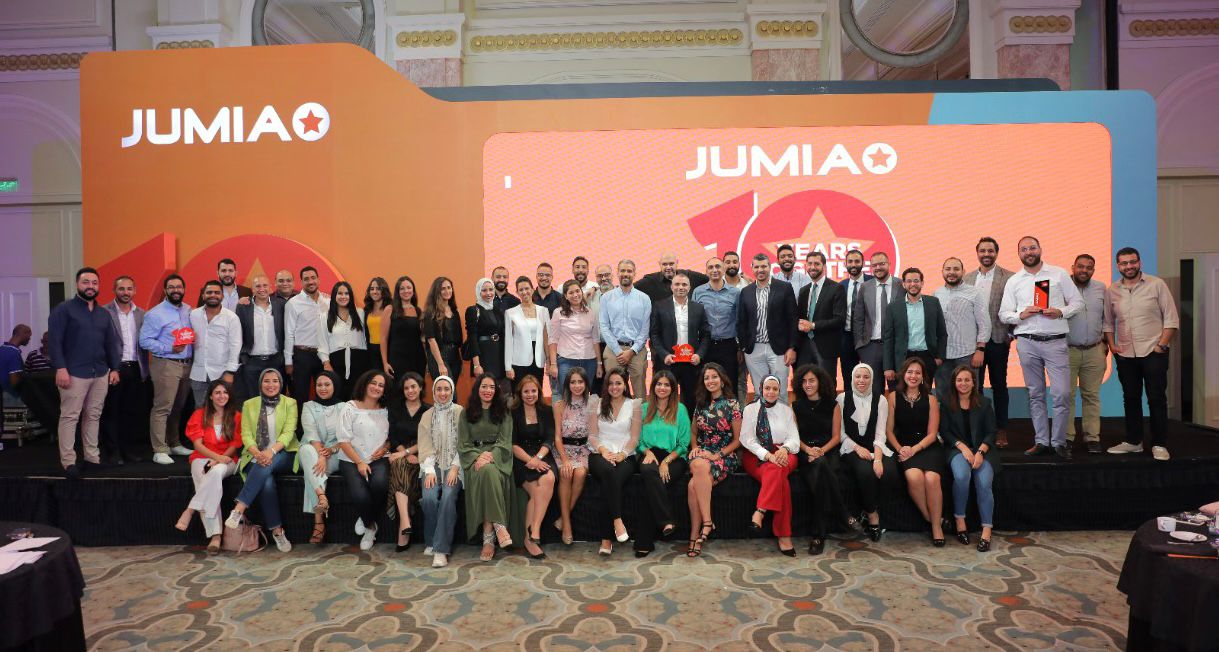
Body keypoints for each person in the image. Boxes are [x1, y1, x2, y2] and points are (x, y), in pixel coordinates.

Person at [998, 236, 1082, 460]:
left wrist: (1060, 311)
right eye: (1024, 249)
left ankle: (1059, 442)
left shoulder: (1058, 274)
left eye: (1032, 248)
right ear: (1019, 254)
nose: (1029, 252)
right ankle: (1042, 441)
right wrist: (1021, 314)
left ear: (1040, 249)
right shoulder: (1014, 281)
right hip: (1027, 342)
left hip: (1055, 341)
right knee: (1036, 394)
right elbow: (1004, 314)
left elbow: (1078, 303)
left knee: (1062, 393)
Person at [1104, 247, 1179, 461]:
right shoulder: (1112, 290)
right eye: (1124, 263)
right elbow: (1108, 322)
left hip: (1153, 351)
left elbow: (1171, 319)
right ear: (1118, 266)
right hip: (1126, 354)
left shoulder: (1157, 284)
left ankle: (1159, 444)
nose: (1129, 266)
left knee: (1156, 398)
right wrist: (1112, 346)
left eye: (1132, 262)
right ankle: (1134, 441)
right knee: (1130, 398)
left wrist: (1161, 346)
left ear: (1139, 263)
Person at [48, 267, 120, 477]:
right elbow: (54, 341)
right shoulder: (63, 310)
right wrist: (60, 368)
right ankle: (69, 462)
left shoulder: (103, 313)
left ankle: (92, 458)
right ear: (77, 284)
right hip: (73, 373)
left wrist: (115, 368)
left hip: (100, 373)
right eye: (86, 282)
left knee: (93, 416)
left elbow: (112, 343)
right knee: (70, 417)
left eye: (94, 283)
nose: (90, 286)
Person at [227, 368, 298, 553]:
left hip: (284, 453)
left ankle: (239, 507)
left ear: (280, 383)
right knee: (266, 482)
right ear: (260, 383)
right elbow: (246, 434)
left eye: (275, 381)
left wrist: (271, 451)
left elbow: (288, 433)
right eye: (267, 381)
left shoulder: (290, 403)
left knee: (267, 464)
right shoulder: (249, 404)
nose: (271, 385)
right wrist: (257, 453)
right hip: (256, 455)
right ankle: (277, 531)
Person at [175, 379, 241, 553]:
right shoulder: (199, 414)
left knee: (215, 473)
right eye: (217, 392)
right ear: (210, 396)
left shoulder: (236, 416)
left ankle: (190, 510)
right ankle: (215, 536)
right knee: (203, 477)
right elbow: (197, 445)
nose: (221, 396)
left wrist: (220, 460)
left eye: (225, 392)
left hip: (227, 459)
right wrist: (215, 457)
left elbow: (235, 445)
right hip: (202, 456)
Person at [885, 357, 946, 546]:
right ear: (903, 374)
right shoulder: (893, 397)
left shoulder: (931, 399)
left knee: (932, 479)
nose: (913, 376)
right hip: (903, 446)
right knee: (914, 477)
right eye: (910, 372)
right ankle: (932, 519)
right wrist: (900, 449)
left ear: (923, 377)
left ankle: (936, 528)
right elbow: (888, 431)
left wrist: (915, 449)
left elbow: (933, 434)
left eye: (917, 373)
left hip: (927, 446)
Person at [940, 365, 1001, 552]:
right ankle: (960, 520)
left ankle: (986, 530)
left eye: (967, 380)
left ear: (974, 382)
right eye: (959, 380)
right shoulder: (946, 403)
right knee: (961, 476)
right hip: (957, 449)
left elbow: (991, 432)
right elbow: (945, 432)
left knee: (984, 483)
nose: (963, 383)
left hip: (983, 450)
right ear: (954, 382)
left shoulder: (985, 403)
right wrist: (963, 447)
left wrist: (980, 452)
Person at [792, 364, 851, 555]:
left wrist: (821, 451)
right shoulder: (796, 406)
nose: (807, 385)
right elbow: (794, 436)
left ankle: (818, 536)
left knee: (820, 476)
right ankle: (843, 512)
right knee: (821, 470)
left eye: (811, 380)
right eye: (804, 381)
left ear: (820, 382)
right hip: (805, 451)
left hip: (828, 451)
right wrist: (809, 450)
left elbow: (836, 437)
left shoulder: (833, 405)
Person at [963, 237, 1015, 448]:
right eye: (982, 251)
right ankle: (981, 429)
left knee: (999, 385)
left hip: (997, 340)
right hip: (972, 342)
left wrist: (1011, 334)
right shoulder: (967, 278)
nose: (986, 254)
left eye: (990, 251)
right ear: (977, 253)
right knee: (975, 387)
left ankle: (1001, 430)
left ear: (996, 253)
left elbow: (1017, 307)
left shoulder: (1010, 277)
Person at [741, 375, 800, 556]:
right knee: (781, 480)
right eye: (767, 388)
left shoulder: (786, 410)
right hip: (756, 454)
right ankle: (784, 536)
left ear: (780, 391)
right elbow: (747, 439)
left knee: (776, 468)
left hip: (784, 452)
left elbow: (794, 439)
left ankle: (760, 511)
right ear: (761, 389)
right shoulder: (750, 409)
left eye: (775, 389)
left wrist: (784, 450)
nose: (771, 392)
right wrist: (767, 455)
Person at [140, 274, 195, 464]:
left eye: (179, 287)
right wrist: (168, 347)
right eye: (171, 287)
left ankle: (174, 443)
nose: (175, 290)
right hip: (166, 363)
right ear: (165, 290)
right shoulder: (155, 313)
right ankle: (159, 449)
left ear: (184, 289)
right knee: (163, 407)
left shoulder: (188, 310)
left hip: (187, 364)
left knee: (178, 407)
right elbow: (144, 341)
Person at [687, 363, 741, 557]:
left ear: (722, 380)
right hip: (703, 452)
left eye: (714, 377)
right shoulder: (700, 403)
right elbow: (694, 433)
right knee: (698, 463)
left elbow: (738, 440)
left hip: (724, 454)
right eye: (706, 378)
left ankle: (695, 535)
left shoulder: (732, 404)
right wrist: (695, 448)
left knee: (693, 485)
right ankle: (707, 523)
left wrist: (718, 455)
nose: (710, 381)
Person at [633, 370, 689, 557]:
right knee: (650, 473)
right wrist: (646, 451)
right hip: (648, 453)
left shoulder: (680, 409)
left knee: (651, 487)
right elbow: (637, 439)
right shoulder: (644, 408)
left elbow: (684, 443)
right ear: (653, 386)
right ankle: (666, 520)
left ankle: (643, 541)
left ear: (673, 388)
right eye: (659, 384)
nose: (662, 388)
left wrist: (666, 461)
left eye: (666, 384)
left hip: (674, 456)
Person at [838, 363, 896, 542]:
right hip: (851, 447)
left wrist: (877, 459)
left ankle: (872, 508)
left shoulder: (881, 400)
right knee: (865, 472)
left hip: (876, 446)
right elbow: (839, 433)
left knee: (889, 472)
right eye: (858, 376)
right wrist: (857, 448)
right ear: (852, 378)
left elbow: (880, 433)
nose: (861, 380)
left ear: (872, 379)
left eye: (866, 377)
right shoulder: (842, 398)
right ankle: (872, 515)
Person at [460, 374, 515, 562]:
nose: (488, 390)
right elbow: (463, 444)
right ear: (477, 389)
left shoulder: (504, 412)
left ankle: (488, 537)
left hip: (499, 458)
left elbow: (505, 441)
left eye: (492, 387)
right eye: (484, 386)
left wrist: (490, 455)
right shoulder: (466, 413)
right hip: (474, 459)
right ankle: (499, 525)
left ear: (496, 390)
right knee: (486, 472)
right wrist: (478, 456)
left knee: (489, 471)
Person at [587, 368, 641, 556]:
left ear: (625, 385)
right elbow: (592, 436)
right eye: (610, 383)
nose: (614, 387)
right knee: (609, 473)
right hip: (599, 453)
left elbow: (634, 438)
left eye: (618, 383)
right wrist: (604, 451)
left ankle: (606, 538)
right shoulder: (596, 403)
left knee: (610, 482)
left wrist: (623, 454)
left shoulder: (634, 405)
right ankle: (618, 521)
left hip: (626, 454)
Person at [336, 370, 392, 551]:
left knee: (380, 485)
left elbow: (392, 437)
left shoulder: (386, 410)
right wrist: (359, 462)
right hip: (351, 458)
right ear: (365, 384)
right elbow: (343, 440)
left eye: (381, 385)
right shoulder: (349, 407)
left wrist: (385, 448)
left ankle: (365, 516)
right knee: (359, 495)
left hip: (378, 457)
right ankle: (371, 526)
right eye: (373, 383)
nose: (377, 387)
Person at [737, 253, 798, 403]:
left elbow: (792, 319)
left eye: (764, 266)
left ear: (770, 267)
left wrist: (792, 347)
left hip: (779, 349)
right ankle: (762, 419)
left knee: (780, 392)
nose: (760, 270)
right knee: (760, 393)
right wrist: (744, 347)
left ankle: (781, 419)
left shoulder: (784, 288)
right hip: (754, 350)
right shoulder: (746, 291)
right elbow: (741, 321)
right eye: (757, 267)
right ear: (752, 268)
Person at [101, 275, 148, 464]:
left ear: (135, 291)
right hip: (115, 369)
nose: (125, 292)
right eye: (121, 289)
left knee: (130, 413)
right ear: (114, 290)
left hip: (136, 368)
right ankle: (113, 452)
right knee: (112, 412)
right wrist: (111, 368)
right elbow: (101, 344)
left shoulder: (142, 314)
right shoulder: (104, 312)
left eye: (129, 289)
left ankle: (127, 450)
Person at [511, 375, 557, 559]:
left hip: (542, 454)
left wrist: (538, 458)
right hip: (521, 458)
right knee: (538, 490)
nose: (530, 395)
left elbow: (550, 438)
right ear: (520, 393)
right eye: (526, 391)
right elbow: (512, 444)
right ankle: (530, 539)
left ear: (539, 392)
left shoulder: (546, 410)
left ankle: (534, 530)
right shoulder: (513, 413)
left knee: (549, 478)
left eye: (533, 391)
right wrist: (530, 460)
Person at [419, 375, 463, 567]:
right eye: (439, 389)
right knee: (428, 497)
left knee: (447, 497)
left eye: (446, 389)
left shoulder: (460, 412)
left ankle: (440, 550)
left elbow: (464, 443)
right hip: (432, 464)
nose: (443, 393)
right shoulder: (427, 415)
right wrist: (429, 471)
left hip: (455, 464)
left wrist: (455, 467)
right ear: (433, 392)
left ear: (452, 391)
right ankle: (430, 540)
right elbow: (425, 445)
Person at [650, 272, 710, 414]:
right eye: (677, 284)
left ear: (689, 287)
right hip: (668, 361)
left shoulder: (698, 308)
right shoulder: (659, 306)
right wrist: (664, 354)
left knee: (691, 400)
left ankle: (688, 426)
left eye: (684, 284)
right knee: (665, 399)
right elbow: (654, 334)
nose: (680, 287)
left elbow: (706, 334)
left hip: (691, 363)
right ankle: (666, 425)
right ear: (671, 287)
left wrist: (699, 355)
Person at [1065, 254, 1107, 453]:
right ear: (1073, 267)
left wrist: (1106, 343)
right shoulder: (1062, 287)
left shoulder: (1101, 288)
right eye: (1080, 266)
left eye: (1089, 268)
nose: (1084, 270)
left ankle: (1092, 437)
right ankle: (1067, 437)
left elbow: (1107, 318)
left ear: (1093, 270)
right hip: (1067, 351)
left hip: (1094, 350)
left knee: (1091, 395)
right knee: (1067, 396)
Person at [552, 366, 597, 546]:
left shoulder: (592, 404)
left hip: (584, 450)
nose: (577, 386)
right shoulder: (559, 405)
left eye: (580, 382)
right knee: (566, 473)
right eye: (573, 382)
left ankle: (563, 518)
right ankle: (568, 526)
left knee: (580, 473)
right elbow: (557, 437)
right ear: (567, 384)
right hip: (563, 449)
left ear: (586, 384)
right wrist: (564, 460)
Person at [882, 268, 947, 390]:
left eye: (916, 281)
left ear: (922, 283)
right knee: (901, 394)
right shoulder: (893, 307)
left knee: (925, 394)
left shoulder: (933, 303)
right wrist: (888, 367)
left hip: (927, 357)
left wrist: (939, 357)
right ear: (904, 284)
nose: (913, 284)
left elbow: (942, 333)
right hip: (902, 358)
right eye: (909, 281)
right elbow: (888, 338)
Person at [933, 258, 990, 395]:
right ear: (942, 272)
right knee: (943, 397)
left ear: (963, 272)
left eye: (956, 269)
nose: (952, 272)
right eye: (948, 269)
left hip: (967, 355)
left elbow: (984, 323)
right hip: (942, 356)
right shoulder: (936, 294)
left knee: (969, 397)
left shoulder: (975, 293)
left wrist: (980, 349)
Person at [298, 371, 343, 544]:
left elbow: (346, 437)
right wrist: (321, 455)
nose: (322, 388)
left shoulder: (344, 407)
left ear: (334, 386)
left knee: (313, 470)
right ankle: (321, 497)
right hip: (312, 451)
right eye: (319, 385)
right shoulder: (308, 406)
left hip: (335, 453)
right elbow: (310, 433)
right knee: (306, 451)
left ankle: (319, 523)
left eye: (327, 384)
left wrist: (330, 451)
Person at [598, 259, 652, 396]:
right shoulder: (606, 298)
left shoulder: (644, 299)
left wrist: (632, 351)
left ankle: (640, 411)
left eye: (629, 271)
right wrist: (618, 350)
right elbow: (604, 326)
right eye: (622, 270)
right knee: (614, 390)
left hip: (637, 349)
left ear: (634, 273)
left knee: (640, 393)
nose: (625, 274)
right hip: (613, 348)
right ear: (617, 273)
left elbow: (645, 329)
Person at [387, 372, 427, 552]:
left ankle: (403, 526)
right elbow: (392, 436)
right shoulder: (395, 409)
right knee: (398, 464)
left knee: (398, 465)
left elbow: (428, 439)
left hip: (421, 453)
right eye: (406, 388)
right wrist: (402, 452)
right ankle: (405, 520)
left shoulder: (428, 410)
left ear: (421, 388)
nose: (410, 391)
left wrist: (408, 452)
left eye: (413, 386)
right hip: (400, 451)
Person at [852, 252, 902, 395]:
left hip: (895, 347)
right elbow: (858, 318)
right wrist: (860, 345)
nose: (878, 267)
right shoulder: (865, 287)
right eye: (874, 265)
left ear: (889, 264)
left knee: (897, 390)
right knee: (873, 392)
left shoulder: (901, 285)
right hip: (871, 347)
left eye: (882, 264)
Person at [188, 280, 242, 405]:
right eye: (209, 292)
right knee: (200, 409)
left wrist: (230, 372)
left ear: (222, 296)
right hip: (198, 373)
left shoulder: (231, 317)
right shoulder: (193, 315)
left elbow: (236, 345)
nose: (213, 295)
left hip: (222, 373)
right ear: (203, 295)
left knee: (222, 409)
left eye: (217, 292)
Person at [693, 256, 742, 391]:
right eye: (711, 267)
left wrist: (740, 347)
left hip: (728, 346)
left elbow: (740, 320)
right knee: (705, 386)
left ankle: (731, 406)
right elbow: (694, 321)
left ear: (724, 269)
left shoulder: (735, 292)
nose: (714, 270)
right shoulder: (698, 292)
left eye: (718, 266)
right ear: (706, 271)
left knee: (730, 384)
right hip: (705, 346)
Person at [796, 251, 847, 378]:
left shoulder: (836, 288)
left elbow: (839, 320)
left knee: (827, 383)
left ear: (824, 266)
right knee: (804, 382)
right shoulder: (803, 291)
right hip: (804, 347)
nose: (812, 267)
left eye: (816, 264)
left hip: (826, 346)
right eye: (809, 264)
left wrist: (813, 325)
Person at [284, 266, 331, 404]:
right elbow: (289, 333)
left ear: (318, 279)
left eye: (313, 278)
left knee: (325, 395)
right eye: (306, 279)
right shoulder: (293, 303)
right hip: (302, 356)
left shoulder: (328, 301)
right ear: (301, 282)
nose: (310, 282)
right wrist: (288, 362)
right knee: (300, 396)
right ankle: (299, 420)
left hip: (323, 355)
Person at [235, 276, 286, 401]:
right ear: (252, 289)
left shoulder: (280, 305)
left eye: (265, 285)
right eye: (258, 286)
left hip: (276, 361)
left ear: (271, 287)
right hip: (252, 362)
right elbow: (237, 333)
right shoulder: (243, 307)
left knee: (276, 399)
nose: (262, 289)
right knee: (253, 400)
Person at [548, 279, 602, 393]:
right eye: (571, 293)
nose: (575, 295)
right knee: (566, 395)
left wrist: (599, 364)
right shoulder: (559, 312)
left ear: (582, 292)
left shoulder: (590, 313)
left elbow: (595, 339)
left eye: (577, 291)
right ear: (565, 296)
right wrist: (553, 364)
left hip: (589, 361)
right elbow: (553, 340)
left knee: (585, 396)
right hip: (566, 360)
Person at [317, 281, 368, 391]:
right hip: (336, 362)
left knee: (358, 393)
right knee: (339, 393)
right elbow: (322, 343)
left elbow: (367, 338)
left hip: (360, 361)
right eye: (340, 293)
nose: (343, 296)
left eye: (346, 293)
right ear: (334, 295)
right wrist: (326, 363)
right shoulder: (325, 317)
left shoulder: (360, 313)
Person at [504, 276, 550, 387]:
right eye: (521, 290)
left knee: (536, 391)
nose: (524, 292)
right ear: (517, 292)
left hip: (538, 360)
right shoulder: (510, 313)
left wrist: (549, 360)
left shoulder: (543, 311)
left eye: (527, 288)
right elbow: (508, 341)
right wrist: (508, 366)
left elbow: (546, 338)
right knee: (519, 392)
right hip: (518, 361)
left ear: (532, 289)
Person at [380, 275, 426, 381]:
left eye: (409, 288)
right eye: (402, 288)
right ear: (398, 292)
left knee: (417, 387)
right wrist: (385, 363)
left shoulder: (418, 311)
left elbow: (422, 338)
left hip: (417, 359)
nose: (406, 291)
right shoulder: (390, 309)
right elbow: (383, 339)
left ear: (413, 291)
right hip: (397, 359)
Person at [839, 249, 871, 390]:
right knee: (848, 377)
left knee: (870, 375)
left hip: (869, 338)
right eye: (850, 261)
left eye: (857, 261)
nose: (853, 264)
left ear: (863, 263)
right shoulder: (840, 286)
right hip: (847, 337)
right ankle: (849, 403)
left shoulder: (873, 282)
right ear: (845, 264)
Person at [423, 276, 464, 384]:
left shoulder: (455, 312)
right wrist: (440, 364)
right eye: (443, 288)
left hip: (455, 356)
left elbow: (458, 339)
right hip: (439, 355)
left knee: (451, 390)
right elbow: (431, 340)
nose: (447, 291)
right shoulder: (431, 312)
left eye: (449, 287)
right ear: (437, 291)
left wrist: (460, 360)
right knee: (447, 391)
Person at [465, 278, 505, 380]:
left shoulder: (497, 310)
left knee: (497, 386)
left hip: (498, 354)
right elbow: (472, 338)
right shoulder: (473, 310)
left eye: (491, 290)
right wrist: (476, 365)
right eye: (484, 290)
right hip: (483, 355)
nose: (488, 293)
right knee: (484, 384)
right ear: (478, 292)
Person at [635, 252, 710, 302]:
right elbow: (631, 288)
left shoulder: (689, 276)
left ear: (677, 262)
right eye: (664, 264)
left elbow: (710, 280)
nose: (668, 267)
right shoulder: (651, 280)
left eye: (671, 264)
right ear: (659, 264)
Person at [364, 277, 391, 372]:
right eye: (372, 289)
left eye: (378, 288)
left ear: (384, 290)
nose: (374, 291)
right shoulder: (367, 309)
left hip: (388, 351)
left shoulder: (391, 308)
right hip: (372, 352)